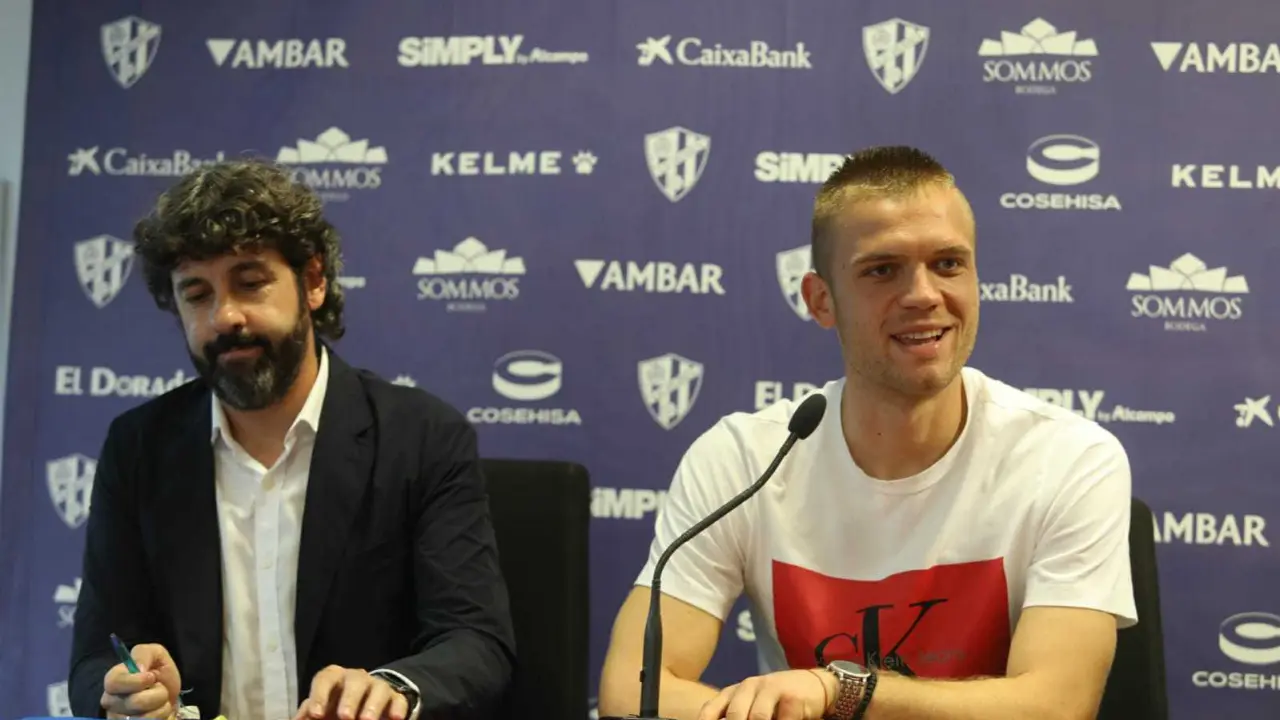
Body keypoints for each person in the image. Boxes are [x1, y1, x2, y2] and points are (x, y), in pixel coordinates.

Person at [597, 146, 1137, 720]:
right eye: (882, 270)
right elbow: (633, 690)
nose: (924, 294)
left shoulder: (1069, 457)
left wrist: (841, 691)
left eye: (948, 264)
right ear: (820, 300)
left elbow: (1057, 706)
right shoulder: (744, 459)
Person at [68, 158, 516, 720]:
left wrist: (394, 689)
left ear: (313, 282)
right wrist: (123, 691)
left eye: (250, 283)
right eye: (197, 295)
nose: (226, 316)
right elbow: (93, 659)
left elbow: (476, 641)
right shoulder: (138, 447)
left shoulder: (422, 437)